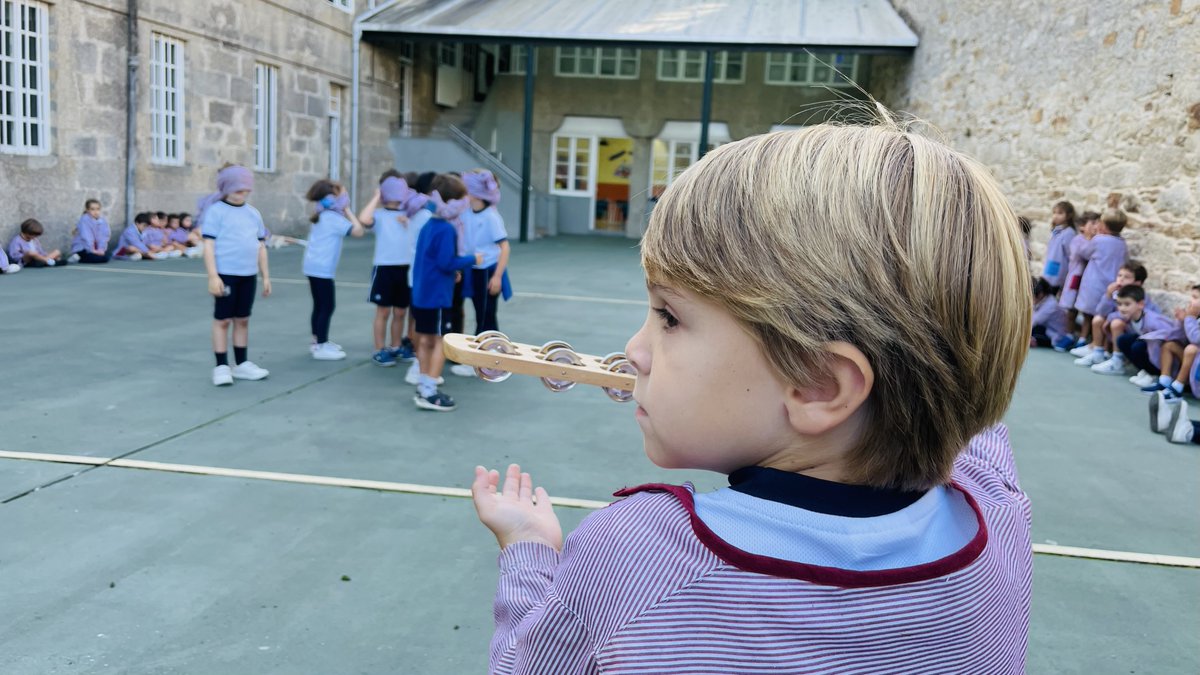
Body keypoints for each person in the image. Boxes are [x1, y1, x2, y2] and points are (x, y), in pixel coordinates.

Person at [471, 118, 1033, 672]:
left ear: (818, 385)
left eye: (669, 318)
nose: (635, 351)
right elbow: (976, 426)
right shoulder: (999, 505)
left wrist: (528, 549)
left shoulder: (642, 556)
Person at [410, 174, 482, 411]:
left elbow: (431, 260)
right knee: (441, 341)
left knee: (424, 339)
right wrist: (471, 259)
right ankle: (429, 391)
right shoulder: (446, 230)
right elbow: (445, 262)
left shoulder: (429, 224)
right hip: (437, 295)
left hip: (422, 291)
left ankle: (423, 384)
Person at [198, 165, 272, 387]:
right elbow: (208, 246)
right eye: (238, 189)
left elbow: (261, 247)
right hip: (226, 275)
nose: (243, 194)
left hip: (248, 275)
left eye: (246, 190)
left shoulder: (253, 213)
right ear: (226, 188)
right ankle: (221, 366)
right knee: (222, 320)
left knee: (243, 319)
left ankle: (241, 364)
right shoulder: (216, 212)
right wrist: (213, 276)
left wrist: (265, 276)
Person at [449, 169, 513, 379]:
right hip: (472, 270)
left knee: (486, 318)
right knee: (479, 313)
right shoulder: (466, 212)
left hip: (488, 272)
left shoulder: (490, 216)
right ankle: (486, 360)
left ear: (474, 192)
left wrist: (497, 277)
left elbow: (504, 247)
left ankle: (485, 362)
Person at [359, 172, 420, 367]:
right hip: (384, 269)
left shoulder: (409, 215)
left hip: (405, 269)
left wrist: (408, 219)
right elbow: (363, 219)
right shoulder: (379, 215)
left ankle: (395, 346)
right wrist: (377, 196)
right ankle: (379, 349)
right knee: (383, 311)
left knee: (400, 312)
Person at [303, 179, 365, 361]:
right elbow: (358, 231)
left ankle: (318, 341)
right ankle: (321, 345)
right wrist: (347, 210)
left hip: (312, 266)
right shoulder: (333, 218)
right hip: (322, 269)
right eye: (342, 194)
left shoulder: (321, 214)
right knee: (327, 306)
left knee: (319, 305)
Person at [1071, 208, 1129, 366]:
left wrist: (1089, 237)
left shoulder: (1099, 240)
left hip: (1095, 281)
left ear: (1104, 225)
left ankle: (1095, 347)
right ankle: (1095, 346)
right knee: (1102, 315)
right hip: (1112, 283)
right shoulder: (1122, 243)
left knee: (1093, 314)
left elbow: (1084, 252)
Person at [1089, 284, 1177, 377]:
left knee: (1138, 347)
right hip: (1149, 349)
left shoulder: (1152, 321)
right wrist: (1106, 325)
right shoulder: (1130, 314)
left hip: (1161, 355)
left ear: (1141, 304)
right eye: (1119, 304)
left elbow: (1171, 335)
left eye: (1127, 304)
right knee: (1123, 340)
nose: (1122, 308)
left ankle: (1156, 374)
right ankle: (1146, 371)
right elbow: (1113, 315)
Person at [1142, 286, 1200, 398]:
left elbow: (1196, 338)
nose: (1190, 301)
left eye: (1195, 297)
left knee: (1191, 349)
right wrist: (1181, 322)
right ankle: (1165, 381)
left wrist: (1189, 318)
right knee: (1169, 345)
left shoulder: (1193, 318)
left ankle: (1178, 387)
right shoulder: (1194, 317)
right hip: (1191, 362)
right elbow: (1176, 337)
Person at [1053, 210, 1096, 351]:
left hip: (1089, 280)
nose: (1095, 226)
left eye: (1097, 223)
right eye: (1092, 223)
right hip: (1076, 279)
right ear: (1082, 226)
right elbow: (1082, 254)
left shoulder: (1097, 241)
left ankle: (1083, 339)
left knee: (1086, 311)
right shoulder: (1078, 240)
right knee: (1071, 310)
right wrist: (1089, 239)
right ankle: (1069, 335)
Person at [1040, 200, 1076, 293]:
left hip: (1058, 275)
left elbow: (1070, 255)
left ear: (1068, 215)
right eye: (1054, 213)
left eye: (1060, 213)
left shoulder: (1069, 233)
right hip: (1049, 272)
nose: (1056, 216)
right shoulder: (1056, 231)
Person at [69, 199, 111, 263]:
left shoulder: (102, 221)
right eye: (92, 209)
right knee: (100, 259)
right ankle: (78, 257)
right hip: (84, 248)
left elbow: (104, 236)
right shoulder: (84, 220)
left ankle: (83, 257)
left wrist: (101, 249)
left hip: (95, 248)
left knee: (106, 257)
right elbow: (87, 237)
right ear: (87, 210)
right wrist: (92, 250)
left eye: (98, 209)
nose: (96, 212)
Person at [1031, 277, 1067, 348]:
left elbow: (1035, 321)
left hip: (1055, 335)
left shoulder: (1051, 304)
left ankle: (1034, 340)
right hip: (1047, 329)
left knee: (1033, 330)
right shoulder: (1045, 300)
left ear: (1041, 293)